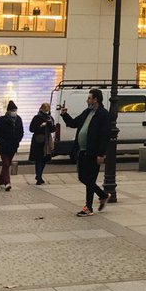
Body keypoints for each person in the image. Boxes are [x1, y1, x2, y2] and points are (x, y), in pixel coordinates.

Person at [60, 88, 110, 216]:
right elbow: (74, 123)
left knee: (90, 179)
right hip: (82, 151)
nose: (87, 100)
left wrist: (101, 154)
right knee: (83, 177)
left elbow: (104, 135)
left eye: (89, 98)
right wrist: (65, 115)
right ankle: (103, 195)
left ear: (95, 100)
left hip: (93, 152)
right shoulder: (87, 112)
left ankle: (88, 207)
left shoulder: (103, 114)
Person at [0, 100, 24, 191]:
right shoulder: (1, 120)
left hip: (13, 146)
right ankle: (7, 182)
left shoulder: (18, 120)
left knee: (7, 165)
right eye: (12, 110)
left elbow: (21, 132)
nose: (14, 112)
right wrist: (1, 141)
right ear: (8, 111)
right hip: (4, 147)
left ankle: (1, 182)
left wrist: (18, 141)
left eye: (15, 110)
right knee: (6, 163)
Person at [29, 102, 55, 185]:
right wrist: (41, 126)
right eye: (45, 110)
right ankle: (39, 176)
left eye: (48, 110)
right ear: (41, 109)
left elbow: (53, 129)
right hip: (38, 141)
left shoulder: (50, 118)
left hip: (46, 141)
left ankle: (39, 175)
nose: (46, 111)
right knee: (39, 159)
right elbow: (32, 129)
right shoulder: (36, 118)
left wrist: (49, 124)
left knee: (44, 159)